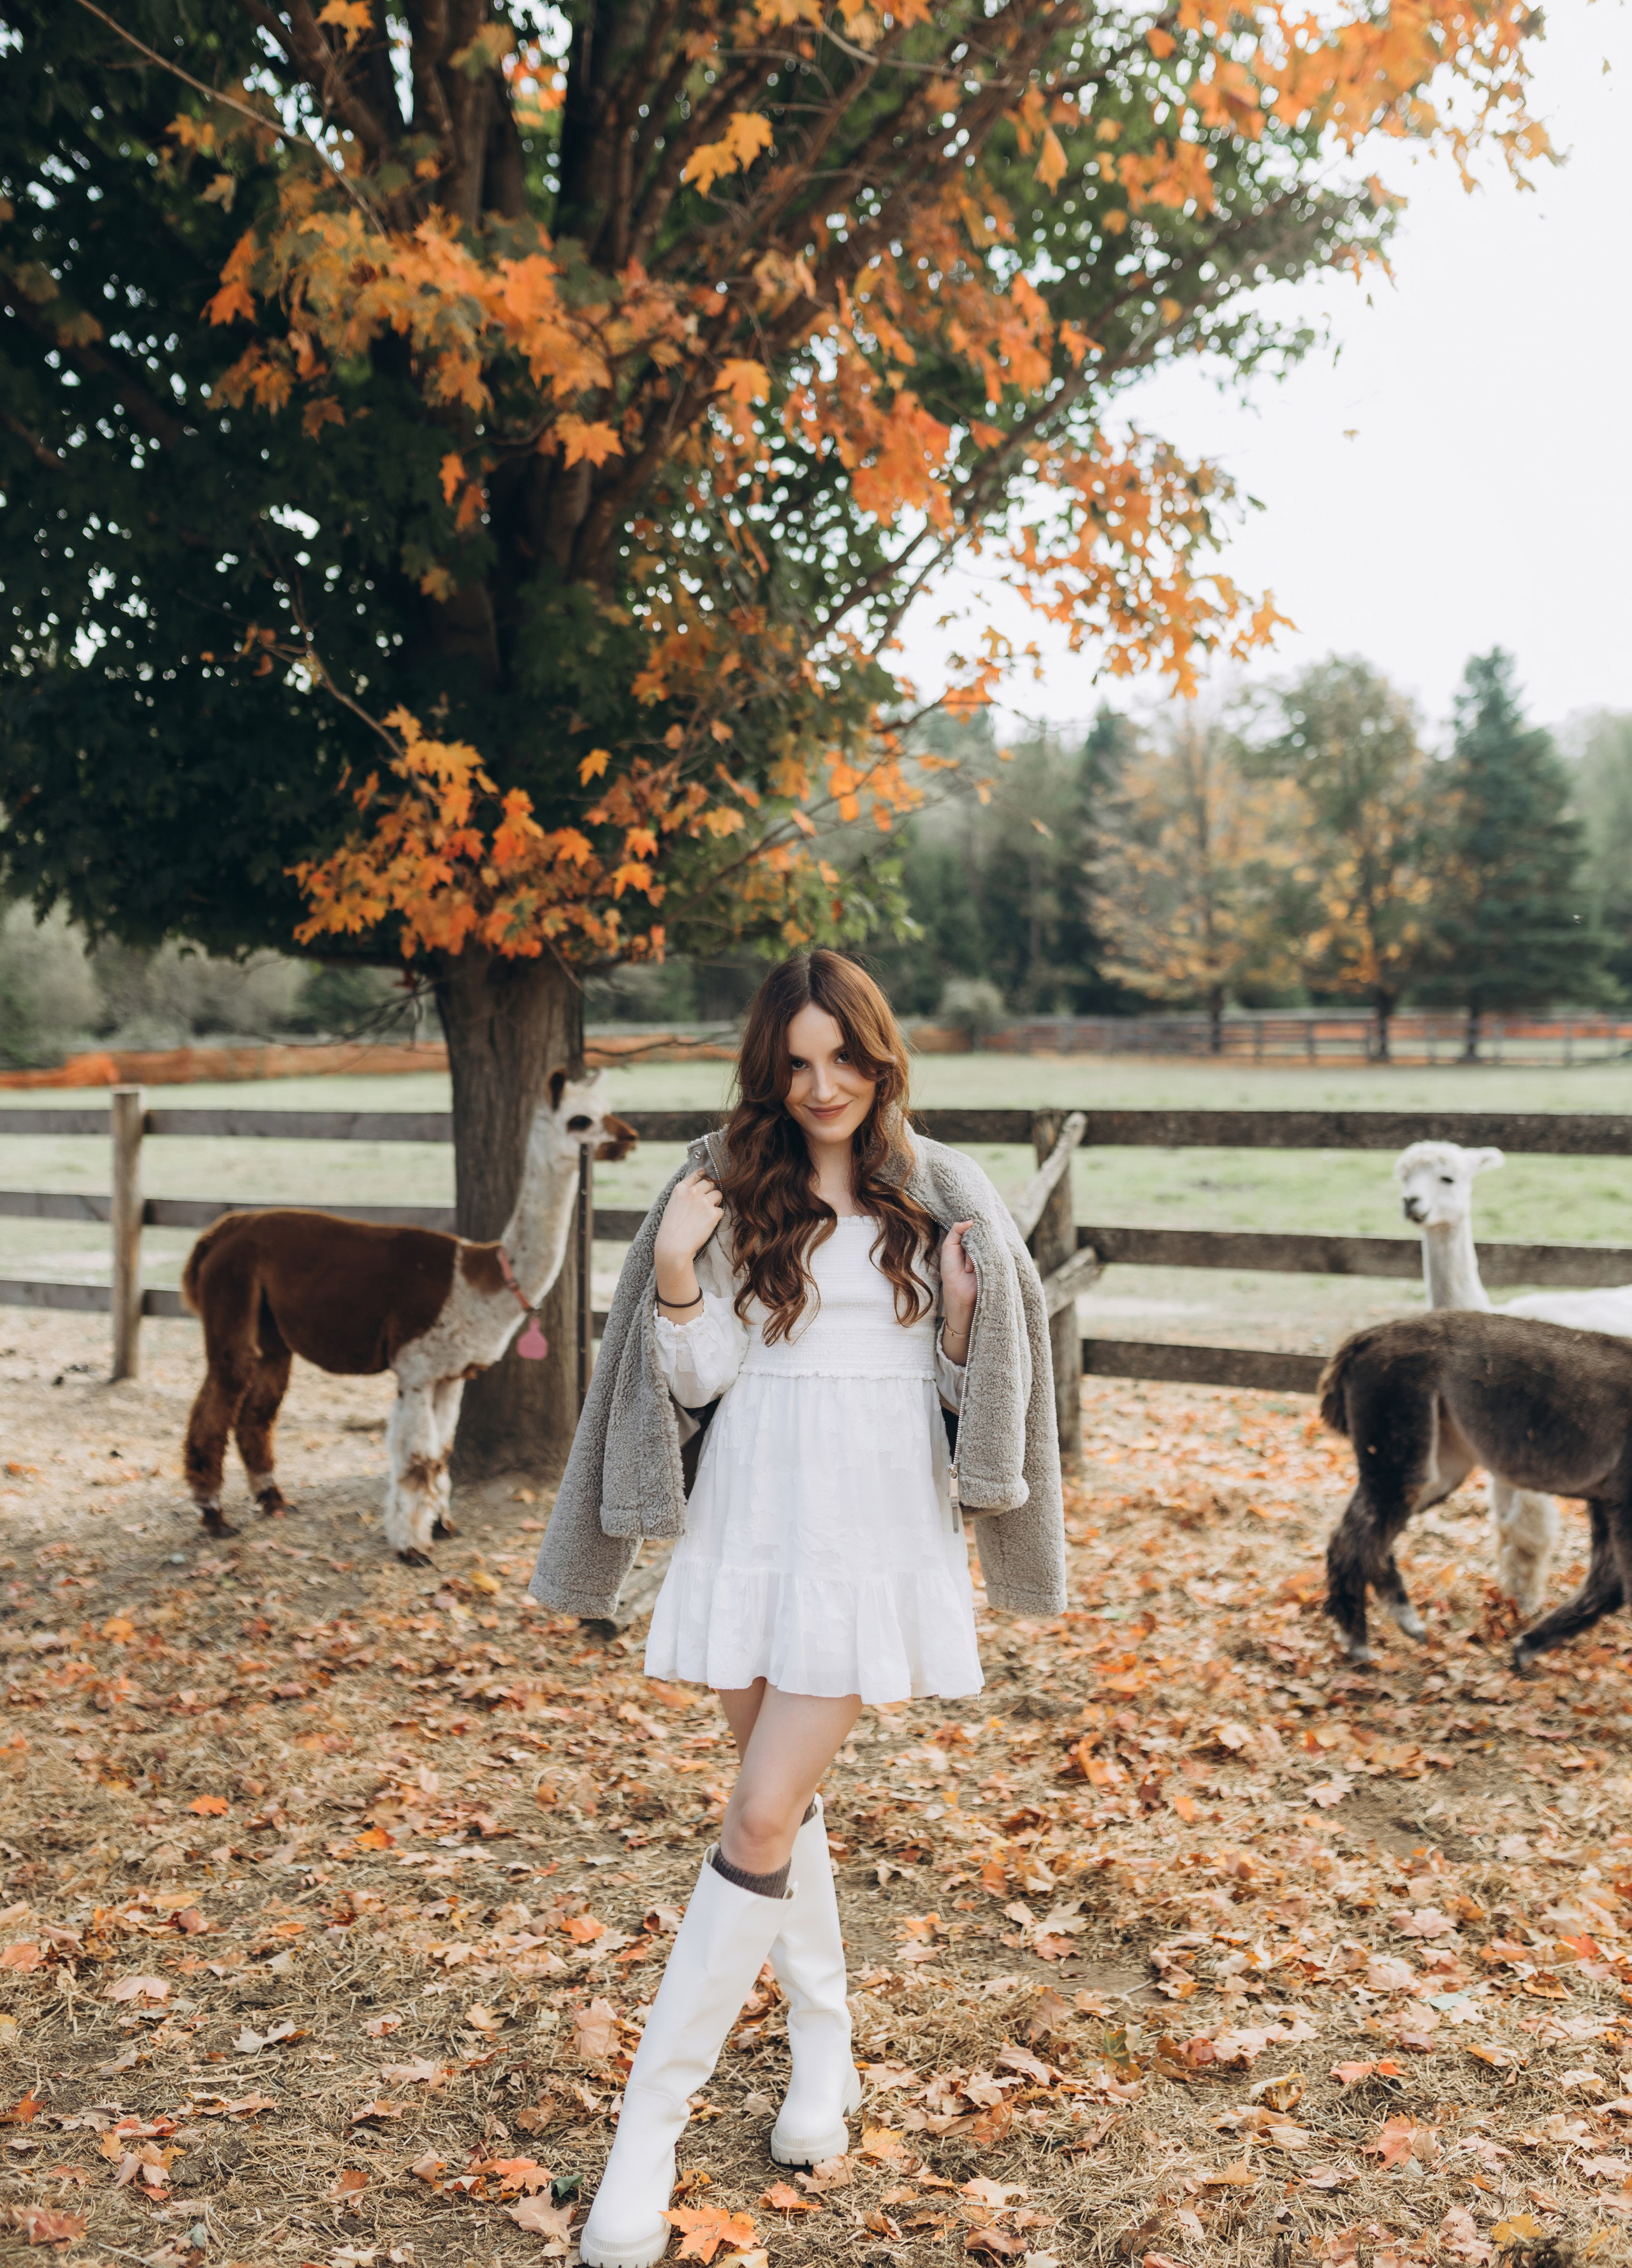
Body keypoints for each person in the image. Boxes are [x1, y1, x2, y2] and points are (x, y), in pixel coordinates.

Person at [531, 949, 1066, 2268]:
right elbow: (701, 1379)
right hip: (746, 1526)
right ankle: (823, 2051)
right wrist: (670, 1268)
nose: (822, 1086)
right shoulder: (724, 1185)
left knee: (760, 1810)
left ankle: (642, 2142)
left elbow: (973, 1396)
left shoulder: (939, 1194)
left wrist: (956, 1322)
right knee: (782, 1806)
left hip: (872, 1530)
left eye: (845, 1058)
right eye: (797, 1063)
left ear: (880, 1057)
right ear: (769, 1068)